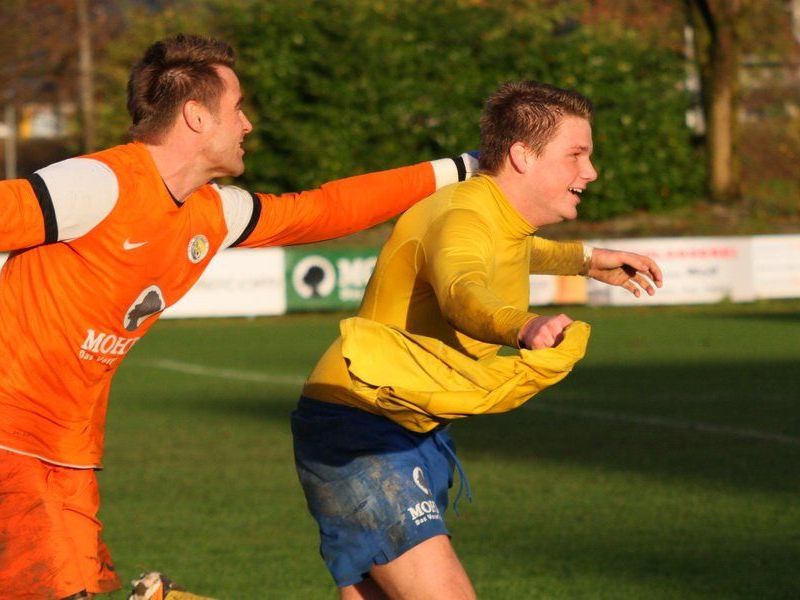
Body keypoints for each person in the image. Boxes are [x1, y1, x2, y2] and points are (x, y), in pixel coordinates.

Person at [0, 33, 483, 600]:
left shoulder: (212, 212)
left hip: (70, 451)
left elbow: (323, 209)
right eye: (237, 109)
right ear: (196, 116)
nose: (248, 124)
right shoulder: (98, 184)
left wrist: (466, 167)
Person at [292, 80, 664, 599]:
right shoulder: (463, 216)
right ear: (522, 156)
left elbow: (517, 250)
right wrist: (523, 326)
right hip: (364, 424)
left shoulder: (490, 215)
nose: (591, 171)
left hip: (399, 420)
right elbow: (462, 293)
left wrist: (588, 260)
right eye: (576, 155)